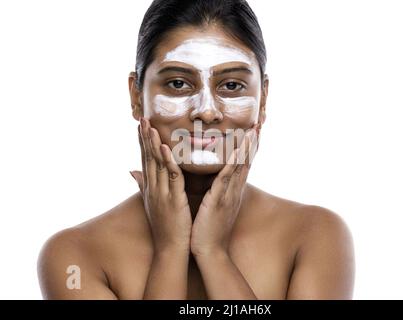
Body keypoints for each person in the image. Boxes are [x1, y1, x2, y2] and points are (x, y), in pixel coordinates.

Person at [37, 0, 355, 300]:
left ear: (264, 100)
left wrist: (213, 252)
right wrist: (170, 248)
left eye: (231, 85)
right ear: (136, 97)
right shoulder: (73, 257)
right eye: (178, 83)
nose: (206, 111)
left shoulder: (317, 236)